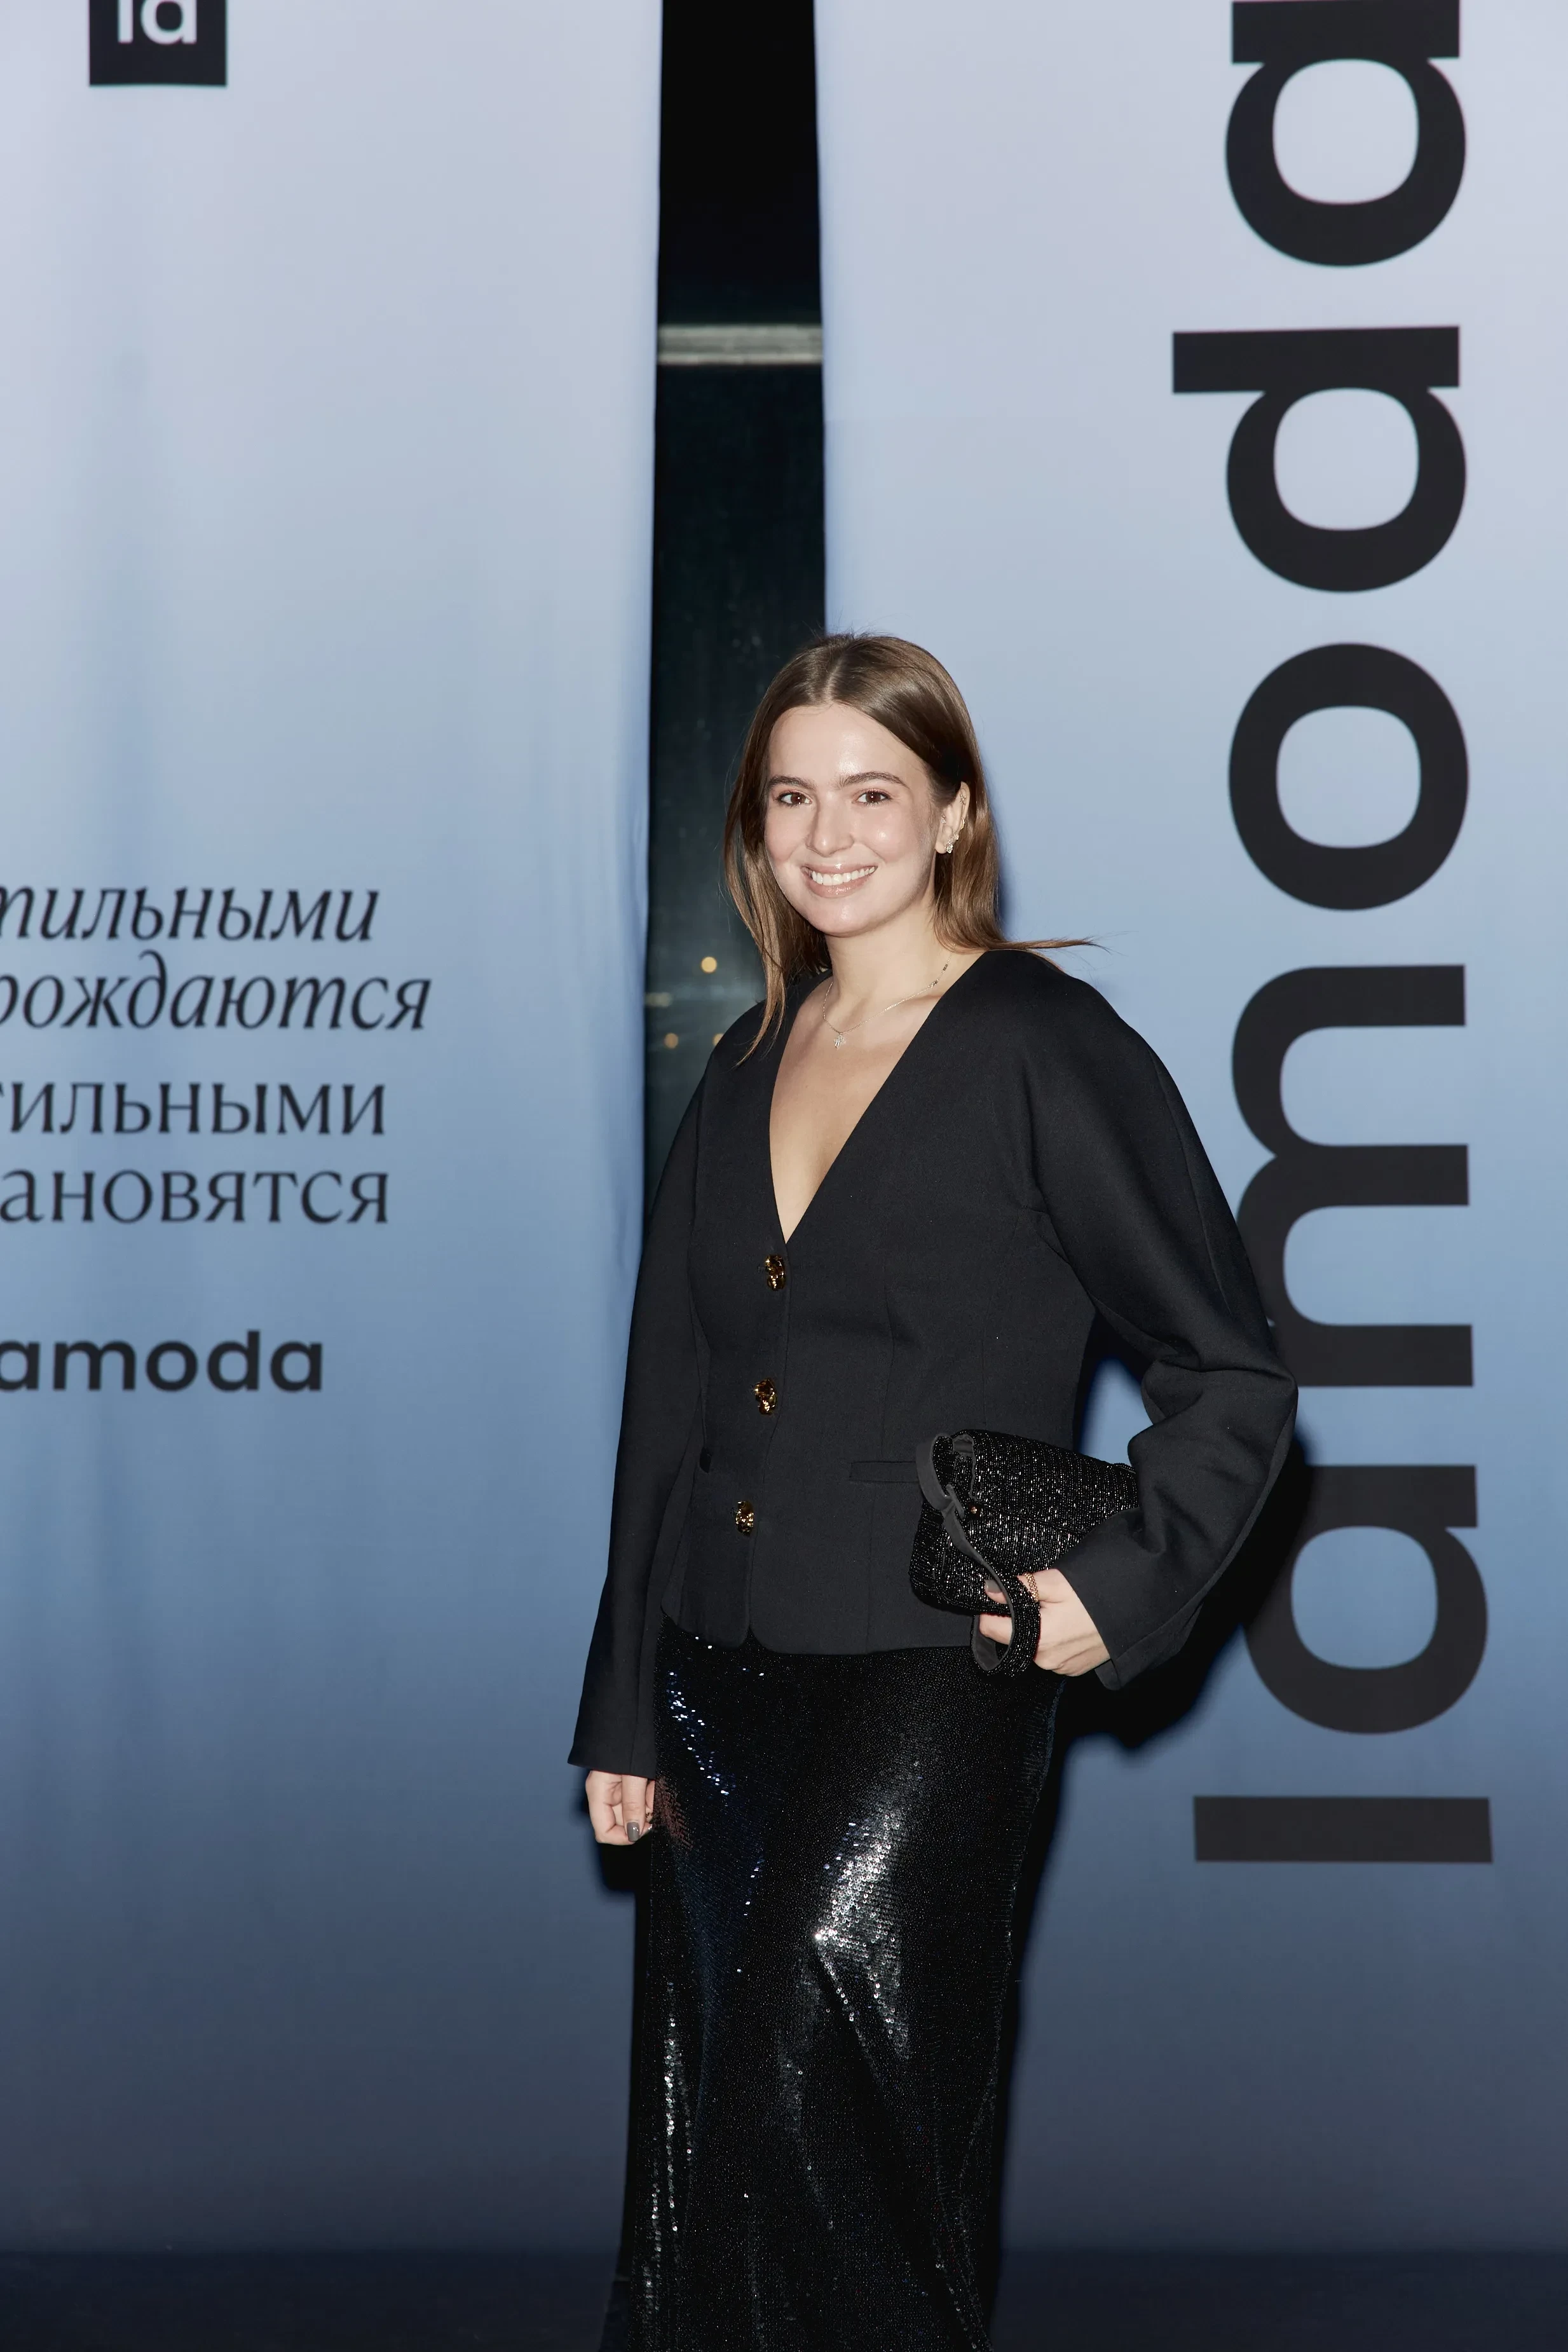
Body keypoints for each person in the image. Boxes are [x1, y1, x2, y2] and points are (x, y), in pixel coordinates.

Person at [571, 635, 1296, 2351]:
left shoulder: (1045, 1046)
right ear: (756, 826)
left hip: (924, 1677)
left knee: (836, 2124)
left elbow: (1232, 1369)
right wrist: (623, 1706)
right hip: (715, 1675)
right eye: (792, 797)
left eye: (872, 792)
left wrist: (1118, 1583)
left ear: (955, 813)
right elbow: (668, 1409)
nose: (829, 836)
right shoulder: (744, 1058)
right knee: (711, 2143)